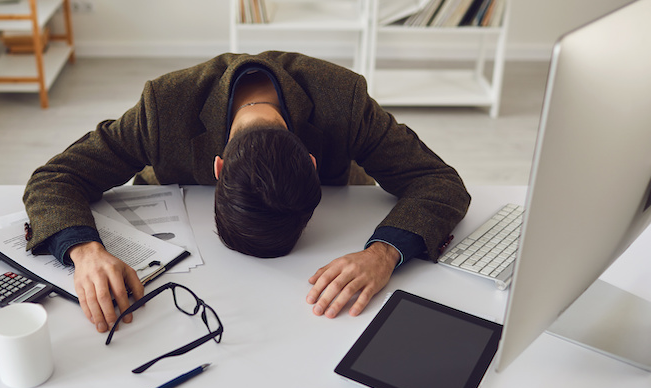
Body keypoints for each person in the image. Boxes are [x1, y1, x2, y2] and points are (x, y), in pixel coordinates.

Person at [23, 51, 470, 333]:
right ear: (217, 169)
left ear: (311, 166)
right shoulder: (164, 106)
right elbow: (55, 177)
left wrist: (383, 253)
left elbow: (438, 181)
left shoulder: (345, 100)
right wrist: (83, 250)